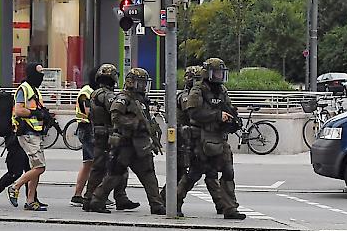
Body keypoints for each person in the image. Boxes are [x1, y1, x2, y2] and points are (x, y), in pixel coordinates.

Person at [177, 58, 246, 220]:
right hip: (201, 138)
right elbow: (193, 113)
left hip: (219, 138)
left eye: (221, 73)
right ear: (208, 73)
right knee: (194, 173)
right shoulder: (198, 91)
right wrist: (217, 115)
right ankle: (175, 202)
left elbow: (228, 108)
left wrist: (233, 120)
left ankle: (230, 208)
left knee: (228, 171)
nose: (219, 76)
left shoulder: (222, 90)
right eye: (216, 73)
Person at [89, 68, 165, 215]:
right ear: (131, 83)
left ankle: (156, 205)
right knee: (114, 175)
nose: (143, 87)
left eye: (144, 83)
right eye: (140, 83)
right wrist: (135, 124)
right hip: (125, 144)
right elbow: (115, 118)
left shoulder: (141, 100)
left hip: (140, 144)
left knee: (149, 174)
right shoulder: (123, 99)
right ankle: (96, 201)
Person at [160, 65, 224, 214]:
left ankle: (221, 203)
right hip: (185, 137)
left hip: (197, 136)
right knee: (185, 172)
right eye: (195, 79)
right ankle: (167, 200)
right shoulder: (186, 96)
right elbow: (192, 115)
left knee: (209, 171)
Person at [82, 64, 139, 212]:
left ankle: (118, 197)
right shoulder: (106, 95)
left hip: (101, 133)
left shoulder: (95, 93)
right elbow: (116, 110)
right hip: (107, 135)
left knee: (112, 166)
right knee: (107, 167)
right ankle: (93, 198)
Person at [6, 62, 49, 211]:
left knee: (35, 167)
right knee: (40, 167)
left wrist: (45, 115)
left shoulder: (34, 90)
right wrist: (35, 113)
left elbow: (35, 108)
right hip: (27, 133)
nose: (41, 77)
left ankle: (30, 201)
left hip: (35, 133)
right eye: (39, 74)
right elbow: (18, 110)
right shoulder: (24, 89)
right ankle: (15, 186)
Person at [70, 68, 97, 206]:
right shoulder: (86, 92)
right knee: (96, 163)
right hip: (87, 129)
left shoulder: (91, 90)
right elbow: (88, 111)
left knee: (88, 163)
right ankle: (92, 194)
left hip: (88, 129)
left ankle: (78, 195)